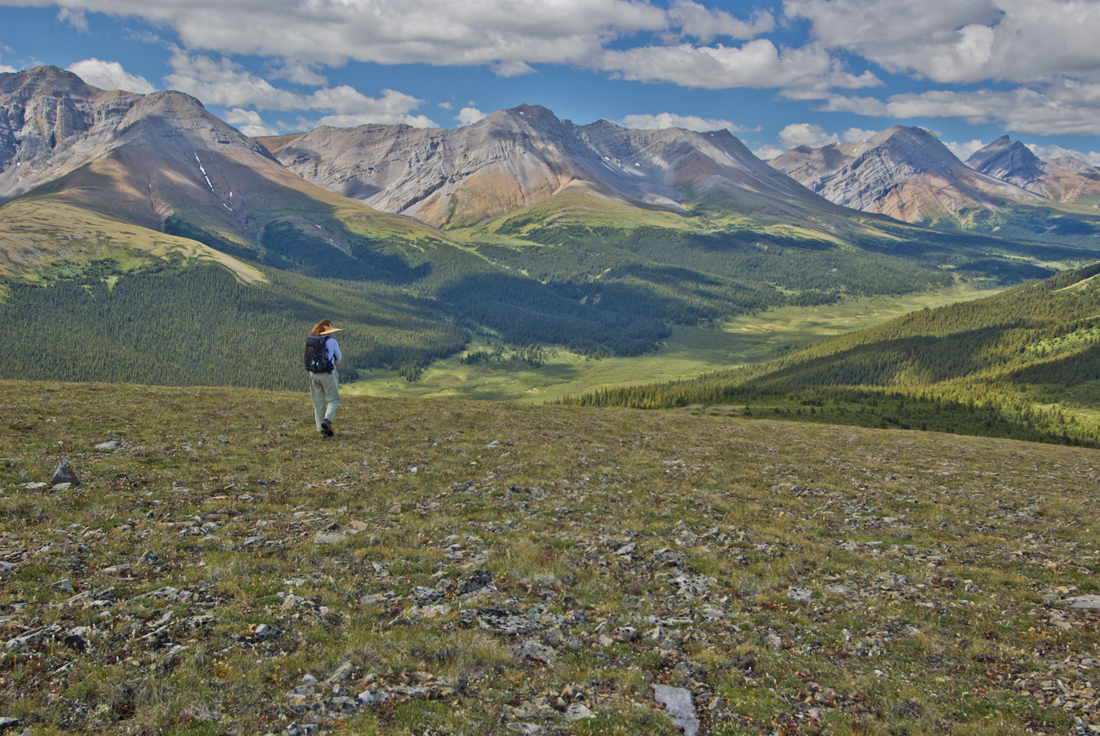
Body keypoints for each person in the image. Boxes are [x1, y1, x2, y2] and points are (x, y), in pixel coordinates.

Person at [307, 319, 342, 438]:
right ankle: (327, 421)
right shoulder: (332, 341)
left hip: (313, 373)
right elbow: (338, 360)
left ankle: (321, 430)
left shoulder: (311, 340)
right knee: (334, 400)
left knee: (318, 402)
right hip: (327, 374)